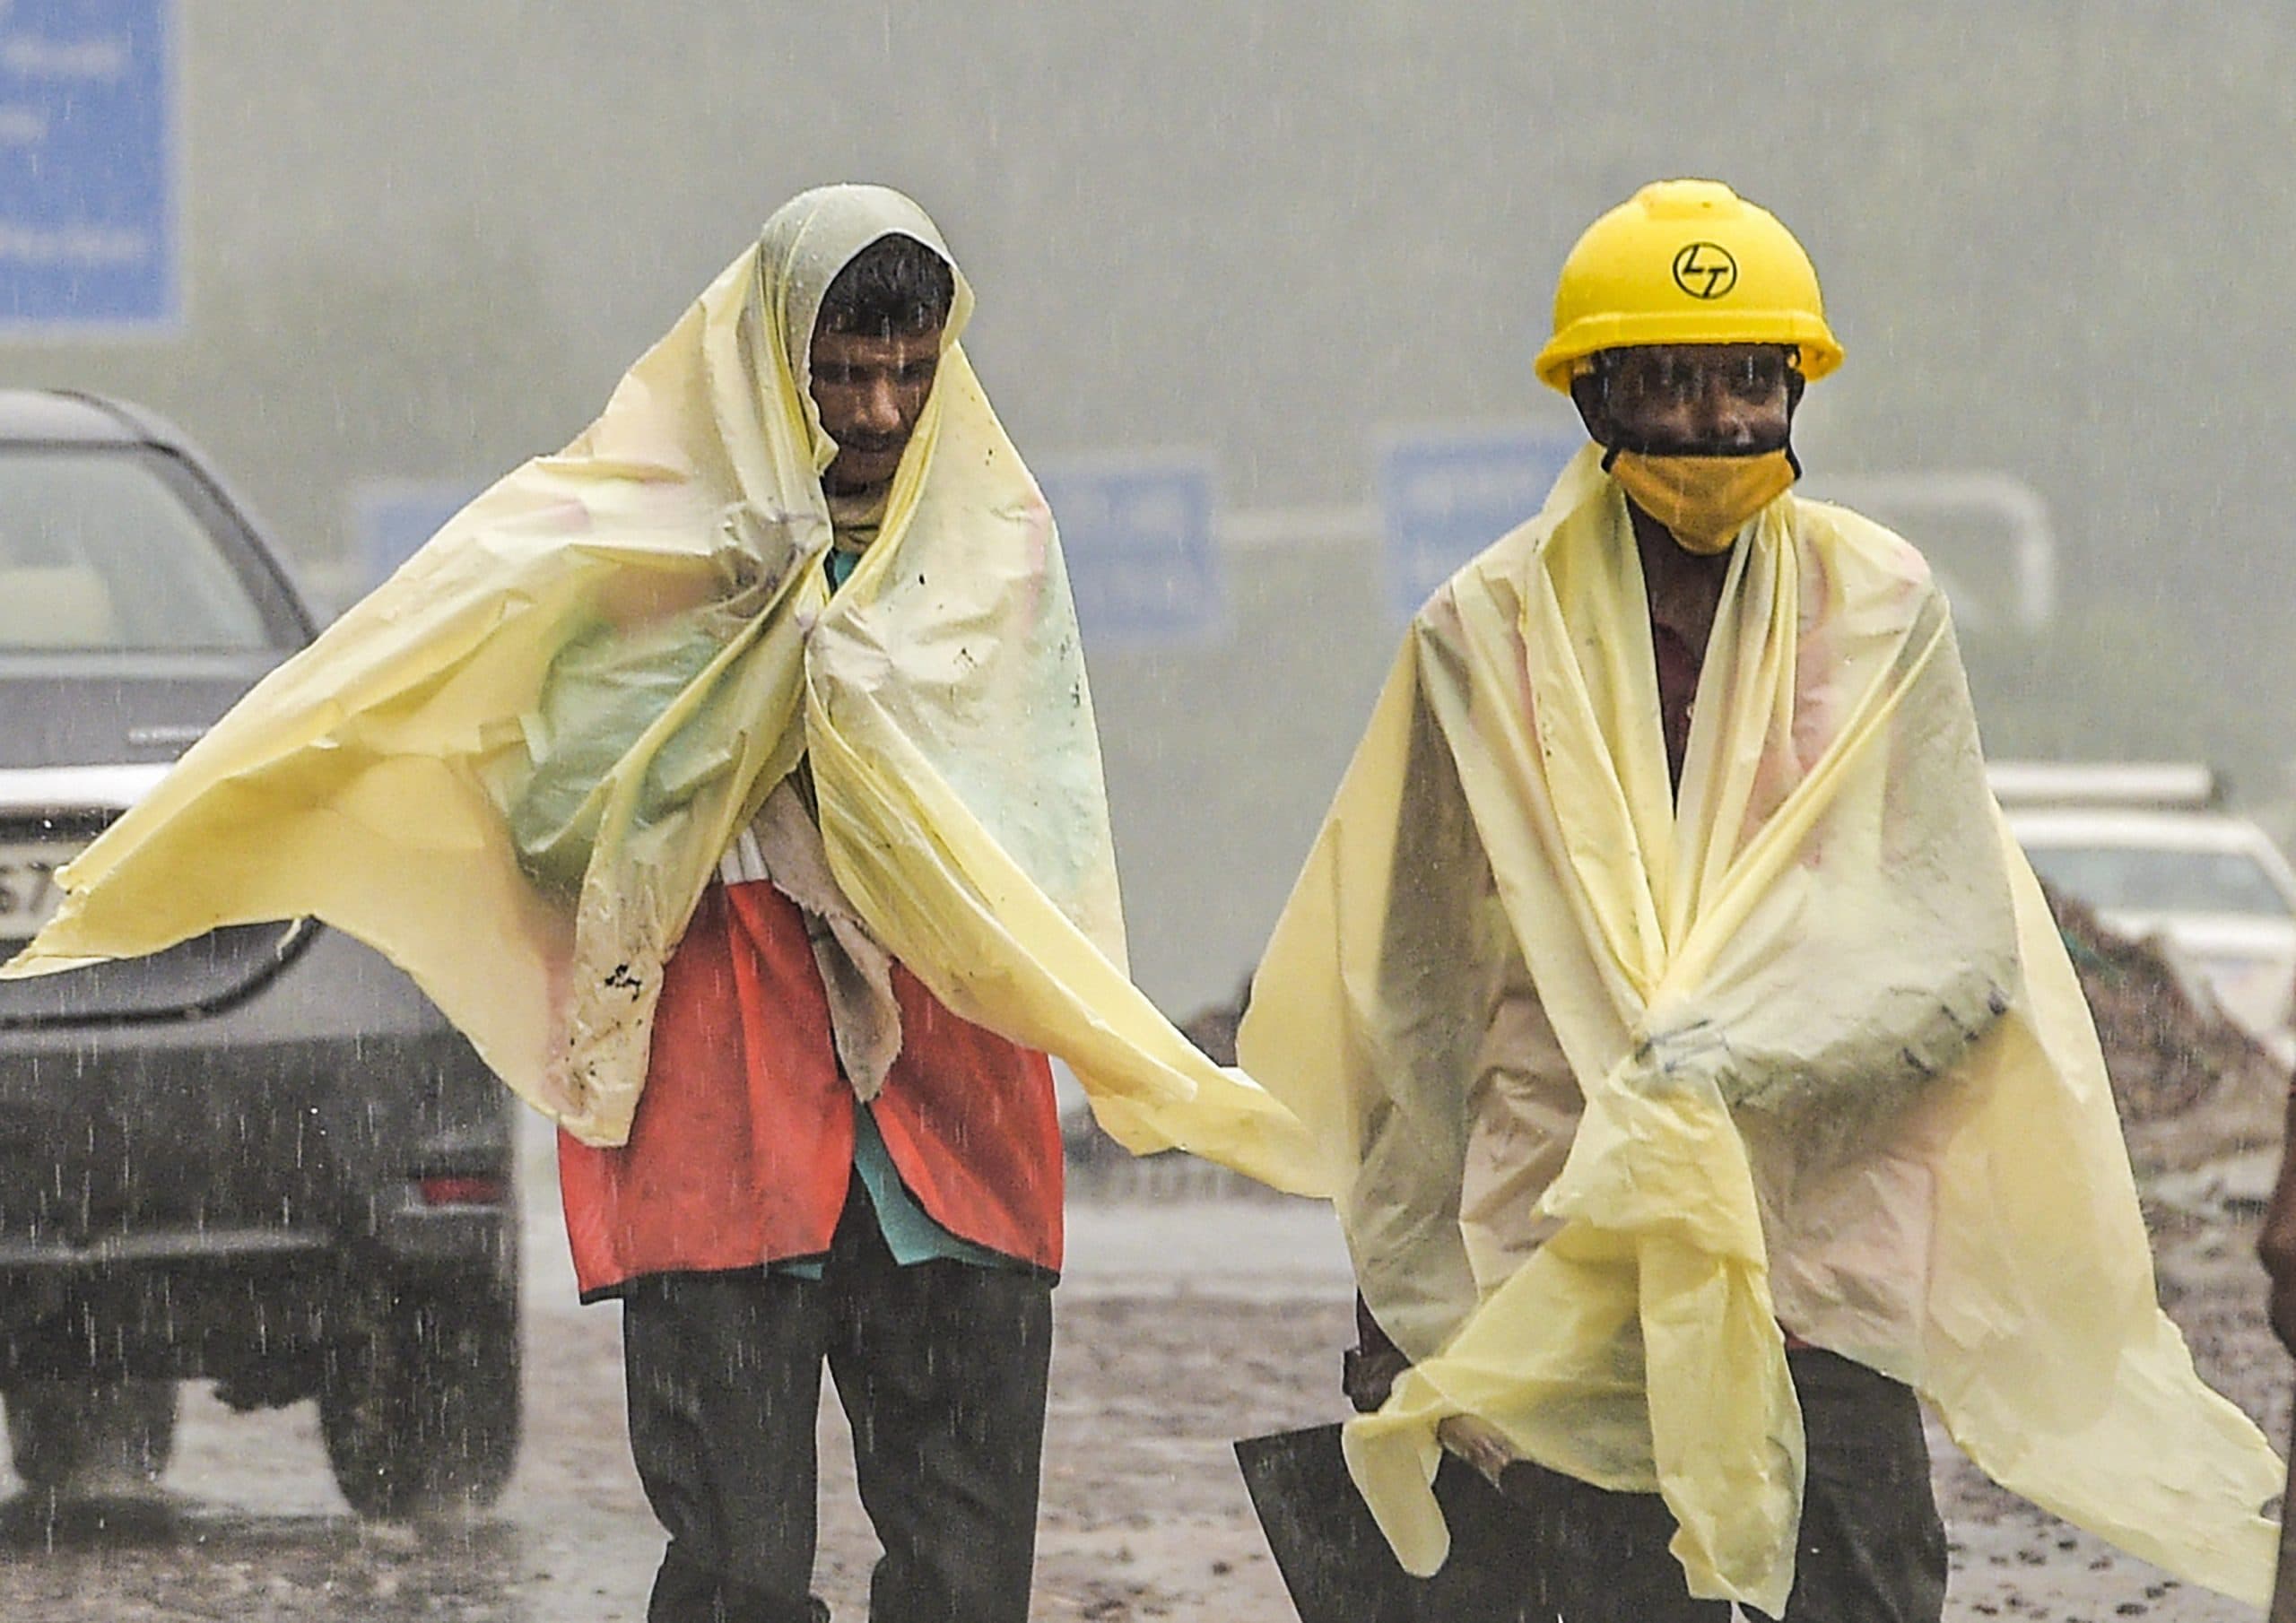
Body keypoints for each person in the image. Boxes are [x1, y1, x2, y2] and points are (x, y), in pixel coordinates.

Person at [4, 185, 1319, 1623]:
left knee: (965, 1567)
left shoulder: (994, 538)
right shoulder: (637, 547)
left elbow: (1043, 816)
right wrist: (729, 681)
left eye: (910, 370)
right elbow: (554, 816)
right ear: (771, 360)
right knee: (740, 1567)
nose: (877, 410)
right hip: (720, 1080)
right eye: (841, 371)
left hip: (952, 1090)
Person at [1238, 178, 2281, 1619]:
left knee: (1855, 1580)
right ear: (1595, 399)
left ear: (1798, 389)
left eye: (1748, 380)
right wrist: (1402, 1301)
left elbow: (1959, 957)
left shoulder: (1879, 614)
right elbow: (1413, 992)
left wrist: (1742, 1065)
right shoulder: (1481, 641)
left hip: (1823, 1248)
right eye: (1671, 382)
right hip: (1573, 1230)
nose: (1717, 422)